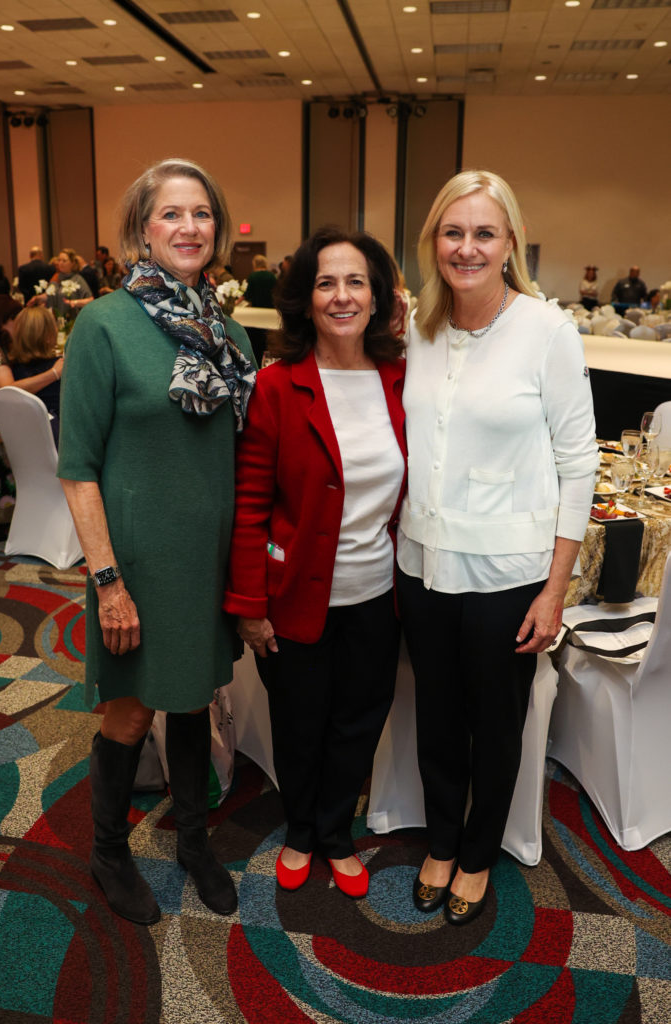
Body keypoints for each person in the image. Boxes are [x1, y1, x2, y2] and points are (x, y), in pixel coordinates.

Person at [57, 158, 256, 927]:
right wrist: (107, 580)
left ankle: (193, 843)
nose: (188, 227)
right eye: (171, 214)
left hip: (204, 560)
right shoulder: (105, 323)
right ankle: (109, 850)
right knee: (134, 711)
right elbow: (77, 470)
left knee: (194, 698)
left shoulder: (228, 330)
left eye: (201, 213)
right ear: (142, 229)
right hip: (134, 562)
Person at [397, 170, 598, 926]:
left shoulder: (545, 330)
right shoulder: (417, 326)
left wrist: (554, 589)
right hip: (422, 565)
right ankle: (441, 841)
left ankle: (478, 853)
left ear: (510, 241)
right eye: (453, 232)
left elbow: (577, 465)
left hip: (509, 576)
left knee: (495, 722)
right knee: (437, 718)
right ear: (432, 243)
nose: (467, 247)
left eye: (484, 233)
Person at [224, 227, 406, 899]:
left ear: (377, 295)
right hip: (292, 595)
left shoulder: (400, 379)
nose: (341, 295)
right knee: (300, 724)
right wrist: (248, 607)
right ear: (303, 299)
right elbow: (247, 507)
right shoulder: (275, 386)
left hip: (377, 594)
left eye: (356, 281)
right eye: (326, 283)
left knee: (358, 719)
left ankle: (335, 833)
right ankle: (301, 829)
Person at [0, 296, 64, 535]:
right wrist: (55, 372)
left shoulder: (16, 367)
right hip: (57, 448)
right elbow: (6, 391)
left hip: (25, 451)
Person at [10, 307, 62, 443]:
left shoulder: (12, 371)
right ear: (48, 336)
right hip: (61, 448)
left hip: (24, 449)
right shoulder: (61, 370)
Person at [29, 249, 93, 317]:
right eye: (59, 260)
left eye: (64, 261)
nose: (60, 263)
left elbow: (90, 300)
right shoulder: (56, 277)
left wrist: (74, 302)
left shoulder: (78, 279)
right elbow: (50, 295)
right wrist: (38, 298)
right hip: (56, 319)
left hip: (72, 320)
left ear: (72, 263)